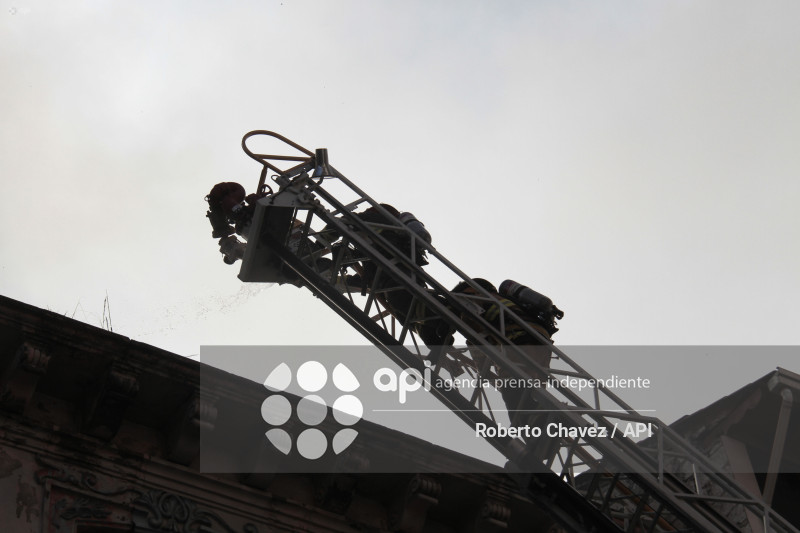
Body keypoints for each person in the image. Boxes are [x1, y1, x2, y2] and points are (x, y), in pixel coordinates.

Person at [451, 278, 561, 421]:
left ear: (471, 291)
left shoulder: (475, 301)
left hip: (518, 343)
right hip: (540, 342)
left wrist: (481, 372)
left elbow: (475, 339)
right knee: (534, 394)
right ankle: (549, 424)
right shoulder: (506, 300)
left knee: (513, 394)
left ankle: (540, 428)